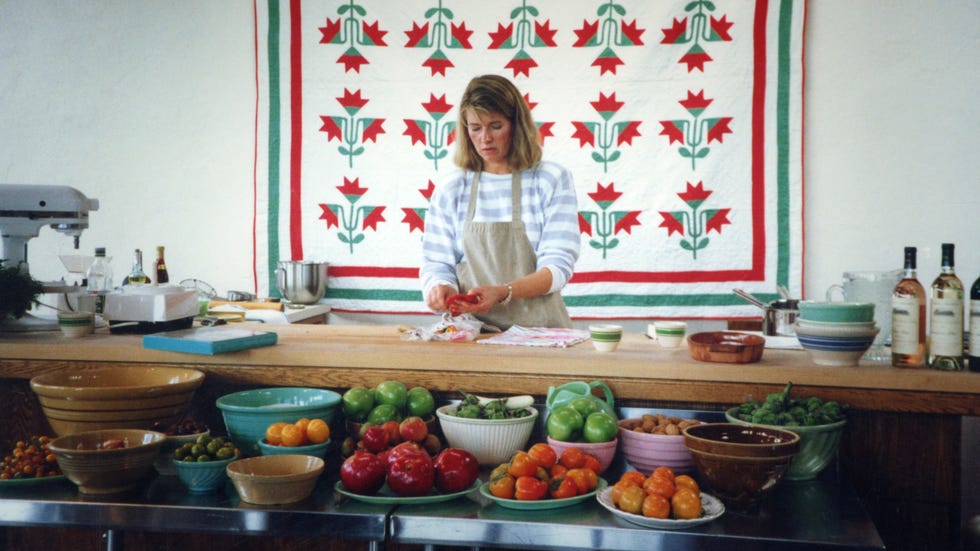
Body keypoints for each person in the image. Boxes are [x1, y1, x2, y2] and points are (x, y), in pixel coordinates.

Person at [420, 74, 580, 329]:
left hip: (539, 333)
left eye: (495, 126)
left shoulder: (550, 179)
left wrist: (503, 292)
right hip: (471, 332)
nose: (485, 138)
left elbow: (558, 268)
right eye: (475, 128)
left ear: (517, 126)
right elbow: (437, 262)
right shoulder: (452, 186)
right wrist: (441, 288)